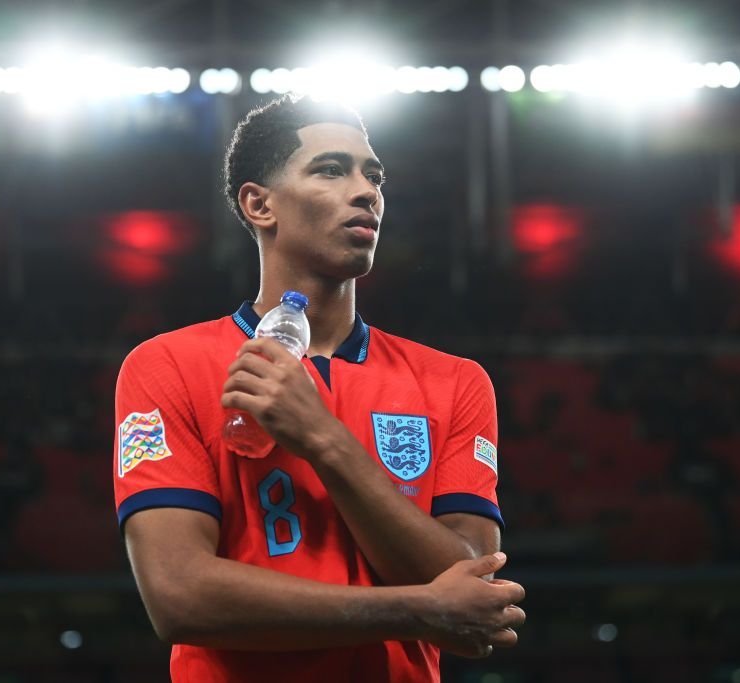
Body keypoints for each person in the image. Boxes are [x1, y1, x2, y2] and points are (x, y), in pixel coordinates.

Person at [112, 94, 524, 682]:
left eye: (374, 176)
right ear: (259, 205)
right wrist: (417, 608)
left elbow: (473, 585)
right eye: (331, 170)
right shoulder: (167, 365)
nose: (366, 191)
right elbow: (179, 597)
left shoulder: (454, 381)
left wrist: (325, 439)